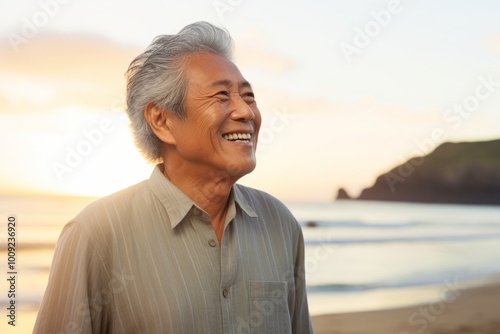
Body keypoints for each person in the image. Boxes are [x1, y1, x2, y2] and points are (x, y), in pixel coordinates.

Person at [34, 21, 313, 334]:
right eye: (222, 95)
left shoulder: (280, 224)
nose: (246, 112)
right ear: (162, 120)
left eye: (248, 96)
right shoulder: (95, 234)